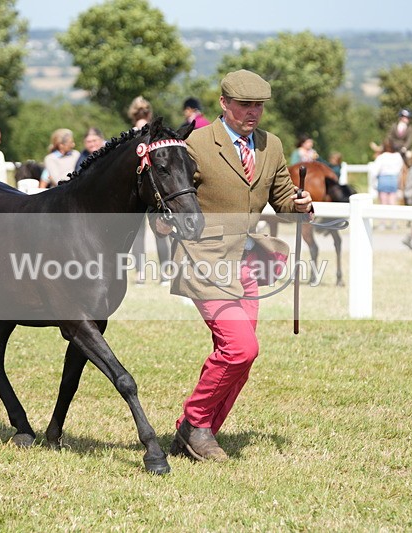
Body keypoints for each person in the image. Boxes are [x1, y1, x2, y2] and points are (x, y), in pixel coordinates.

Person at [155, 69, 313, 462]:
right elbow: (169, 194)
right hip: (202, 260)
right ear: (224, 104)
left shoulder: (271, 146)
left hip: (247, 263)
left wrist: (301, 206)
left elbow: (283, 203)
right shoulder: (195, 143)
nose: (253, 112)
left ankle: (196, 434)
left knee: (242, 358)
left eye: (259, 105)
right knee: (240, 348)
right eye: (245, 104)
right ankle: (195, 424)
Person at [126, 96, 171, 284]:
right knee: (160, 231)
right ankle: (165, 273)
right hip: (154, 190)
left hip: (137, 190)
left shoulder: (129, 135)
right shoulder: (155, 133)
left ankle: (141, 273)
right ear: (149, 113)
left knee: (138, 234)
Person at [373, 138, 405, 227]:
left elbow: (375, 171)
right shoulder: (397, 156)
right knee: (392, 202)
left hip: (383, 179)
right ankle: (394, 223)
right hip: (393, 179)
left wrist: (374, 182)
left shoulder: (381, 157)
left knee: (383, 203)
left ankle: (382, 223)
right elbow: (400, 169)